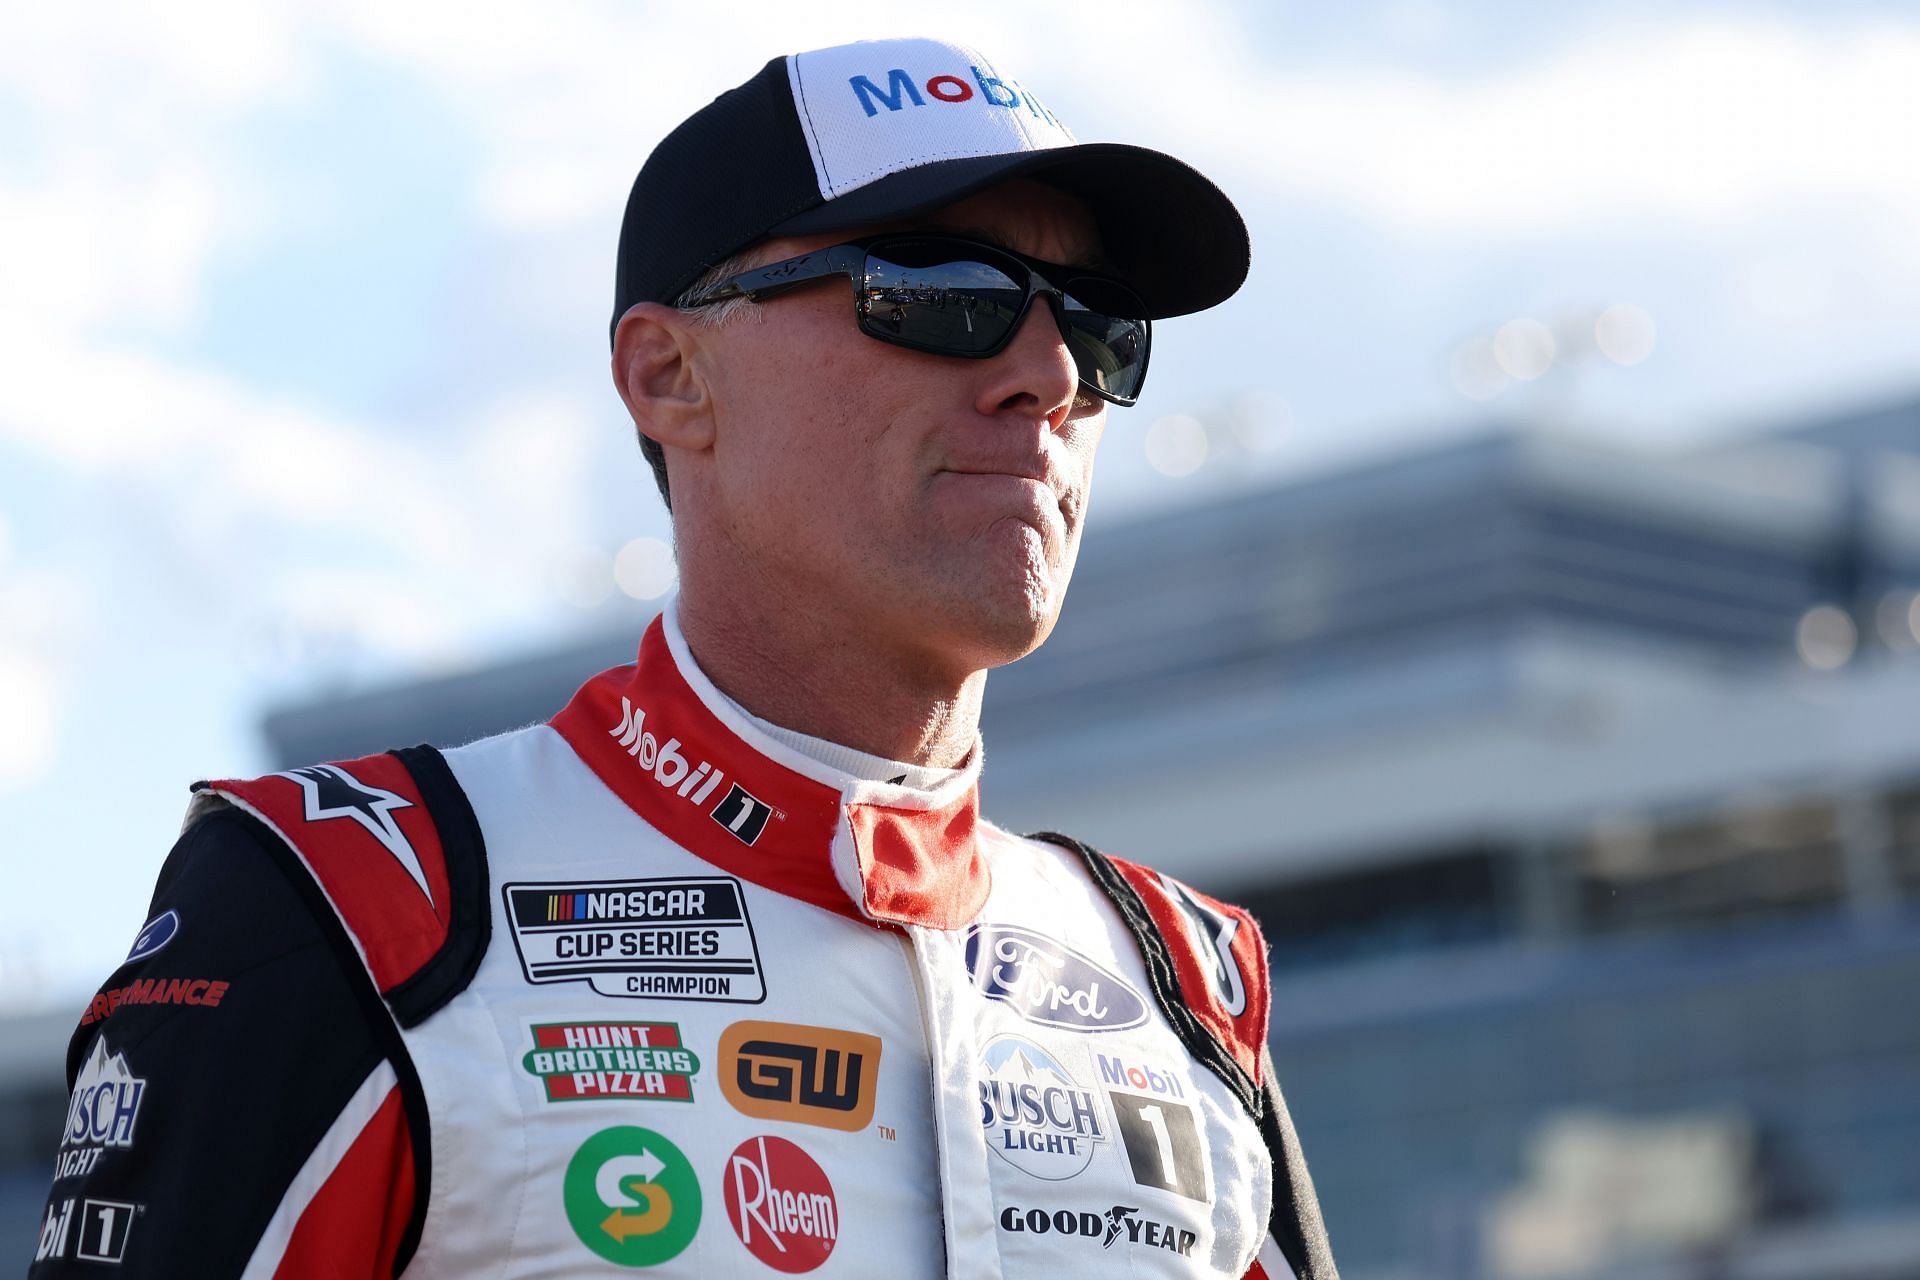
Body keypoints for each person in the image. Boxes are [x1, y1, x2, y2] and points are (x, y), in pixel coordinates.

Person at [30, 36, 1337, 1280]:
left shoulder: (1184, 984)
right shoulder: (365, 904)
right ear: (669, 376)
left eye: (1103, 328)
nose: (1049, 372)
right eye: (943, 296)